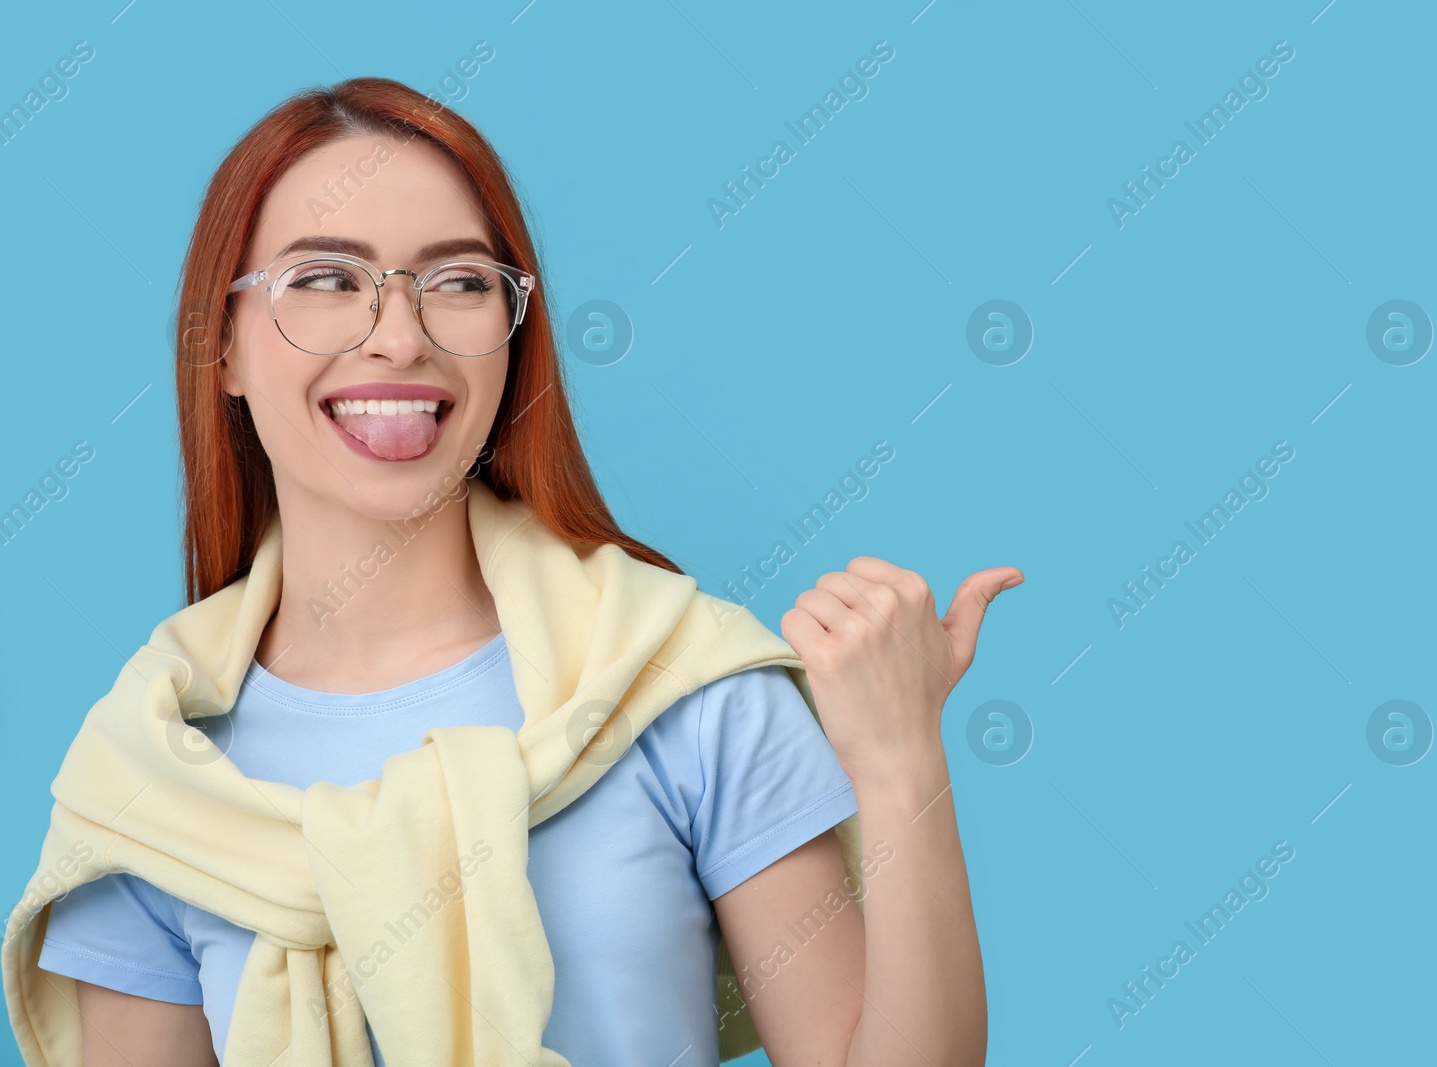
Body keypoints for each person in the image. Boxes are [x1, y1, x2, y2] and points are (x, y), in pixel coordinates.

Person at [5, 77, 1018, 1066]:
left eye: (458, 282)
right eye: (325, 280)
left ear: (512, 329)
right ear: (219, 343)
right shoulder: (153, 773)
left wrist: (898, 760)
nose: (399, 337)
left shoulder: (680, 683)